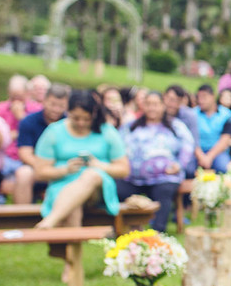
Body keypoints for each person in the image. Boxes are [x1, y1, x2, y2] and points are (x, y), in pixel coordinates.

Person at [33, 89, 129, 229]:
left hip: (99, 189)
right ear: (68, 112)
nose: (81, 123)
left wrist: (98, 165)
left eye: (86, 119)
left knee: (91, 175)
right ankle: (73, 248)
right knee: (72, 207)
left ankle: (50, 221)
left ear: (94, 114)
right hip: (62, 186)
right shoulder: (54, 132)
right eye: (76, 118)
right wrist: (66, 170)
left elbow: (124, 170)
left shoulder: (107, 131)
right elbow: (40, 172)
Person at [117, 90, 195, 231]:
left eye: (155, 104)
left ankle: (157, 232)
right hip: (132, 177)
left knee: (164, 191)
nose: (152, 108)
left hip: (164, 177)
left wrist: (179, 165)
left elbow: (188, 145)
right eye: (148, 104)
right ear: (143, 106)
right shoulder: (131, 126)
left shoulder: (175, 126)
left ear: (163, 106)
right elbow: (118, 146)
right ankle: (126, 229)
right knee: (117, 188)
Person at [14, 84, 70, 204]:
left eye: (61, 106)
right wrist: (45, 168)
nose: (56, 109)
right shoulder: (28, 122)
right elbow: (25, 154)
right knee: (23, 174)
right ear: (44, 101)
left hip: (64, 167)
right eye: (53, 104)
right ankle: (21, 217)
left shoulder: (70, 124)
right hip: (35, 167)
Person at [194, 84, 231, 173]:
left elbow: (225, 139)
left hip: (218, 152)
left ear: (213, 96)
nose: (201, 101)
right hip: (197, 151)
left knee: (224, 168)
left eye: (204, 97)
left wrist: (209, 156)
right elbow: (191, 138)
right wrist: (201, 156)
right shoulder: (193, 114)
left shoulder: (226, 114)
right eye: (199, 98)